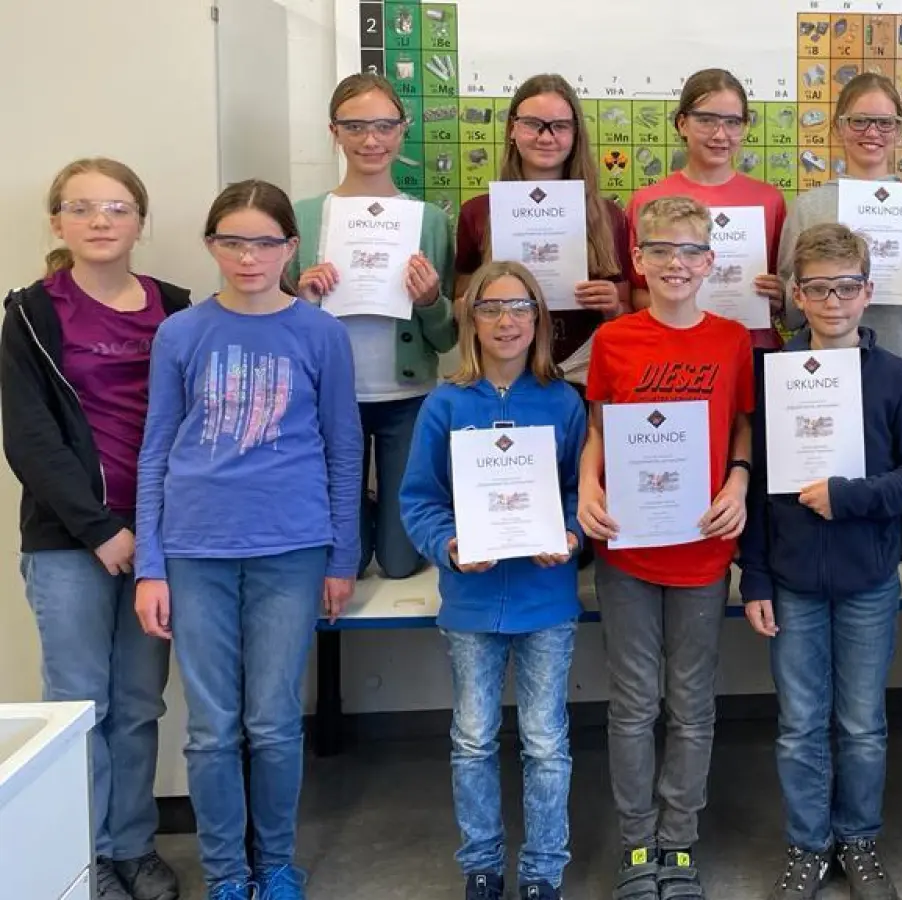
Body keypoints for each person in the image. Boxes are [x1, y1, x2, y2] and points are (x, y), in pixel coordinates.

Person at [133, 179, 363, 900]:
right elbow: (155, 448)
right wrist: (150, 563)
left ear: (290, 248)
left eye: (265, 242)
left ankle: (275, 865)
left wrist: (342, 554)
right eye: (232, 241)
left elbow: (344, 447)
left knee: (271, 723)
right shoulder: (181, 332)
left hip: (290, 548)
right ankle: (228, 874)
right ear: (211, 246)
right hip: (195, 548)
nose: (248, 256)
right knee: (210, 729)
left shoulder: (319, 332)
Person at [1, 158, 186, 900]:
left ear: (141, 221)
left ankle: (133, 846)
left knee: (141, 704)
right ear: (57, 224)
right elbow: (31, 440)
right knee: (81, 703)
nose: (100, 221)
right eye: (82, 208)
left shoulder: (175, 308)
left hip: (161, 542)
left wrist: (157, 535)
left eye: (116, 207)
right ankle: (85, 856)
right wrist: (100, 530)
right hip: (70, 543)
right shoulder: (31, 315)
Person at [741, 223, 902, 900]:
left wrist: (851, 497)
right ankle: (807, 845)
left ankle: (858, 838)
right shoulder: (775, 376)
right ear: (797, 295)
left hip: (867, 581)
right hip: (792, 582)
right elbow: (760, 483)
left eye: (846, 288)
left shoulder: (893, 379)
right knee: (800, 725)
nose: (832, 302)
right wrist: (758, 577)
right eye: (818, 289)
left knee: (862, 724)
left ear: (868, 292)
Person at [577, 195, 755, 900]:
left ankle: (678, 843)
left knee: (691, 701)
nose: (675, 264)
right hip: (627, 548)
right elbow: (597, 427)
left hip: (701, 550)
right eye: (660, 251)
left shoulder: (732, 338)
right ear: (638, 261)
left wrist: (738, 481)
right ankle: (635, 843)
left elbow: (742, 425)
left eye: (689, 252)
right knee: (632, 704)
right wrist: (588, 488)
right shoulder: (616, 339)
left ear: (710, 262)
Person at [400, 261, 586, 900]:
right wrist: (448, 546)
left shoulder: (564, 402)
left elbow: (577, 493)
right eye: (490, 308)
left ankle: (542, 870)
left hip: (545, 600)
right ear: (469, 320)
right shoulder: (445, 404)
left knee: (544, 741)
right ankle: (481, 864)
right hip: (472, 601)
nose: (506, 321)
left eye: (520, 308)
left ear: (539, 320)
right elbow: (419, 499)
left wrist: (569, 534)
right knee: (473, 740)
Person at [778, 70, 902, 563]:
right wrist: (781, 292)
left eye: (885, 122)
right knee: (833, 530)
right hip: (827, 384)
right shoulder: (809, 207)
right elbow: (790, 313)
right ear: (838, 127)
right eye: (860, 120)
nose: (872, 132)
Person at [289, 71, 457, 580]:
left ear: (402, 130)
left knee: (402, 562)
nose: (371, 139)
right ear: (333, 131)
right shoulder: (303, 216)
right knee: (348, 558)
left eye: (385, 126)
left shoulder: (429, 220)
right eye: (356, 126)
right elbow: (274, 330)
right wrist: (302, 299)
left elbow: (447, 337)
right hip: (329, 399)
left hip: (406, 398)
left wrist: (430, 300)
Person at [455, 73, 633, 386]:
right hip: (504, 372)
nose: (546, 137)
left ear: (576, 134)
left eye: (560, 126)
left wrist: (613, 305)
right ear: (512, 128)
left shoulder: (609, 215)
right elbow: (459, 305)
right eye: (533, 124)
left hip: (584, 370)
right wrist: (473, 302)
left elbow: (627, 313)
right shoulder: (477, 213)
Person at [625, 67, 787, 351]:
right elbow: (635, 293)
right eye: (707, 120)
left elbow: (783, 288)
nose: (720, 134)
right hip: (673, 349)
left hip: (751, 350)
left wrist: (777, 295)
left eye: (733, 122)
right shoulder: (647, 200)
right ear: (682, 123)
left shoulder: (769, 200)